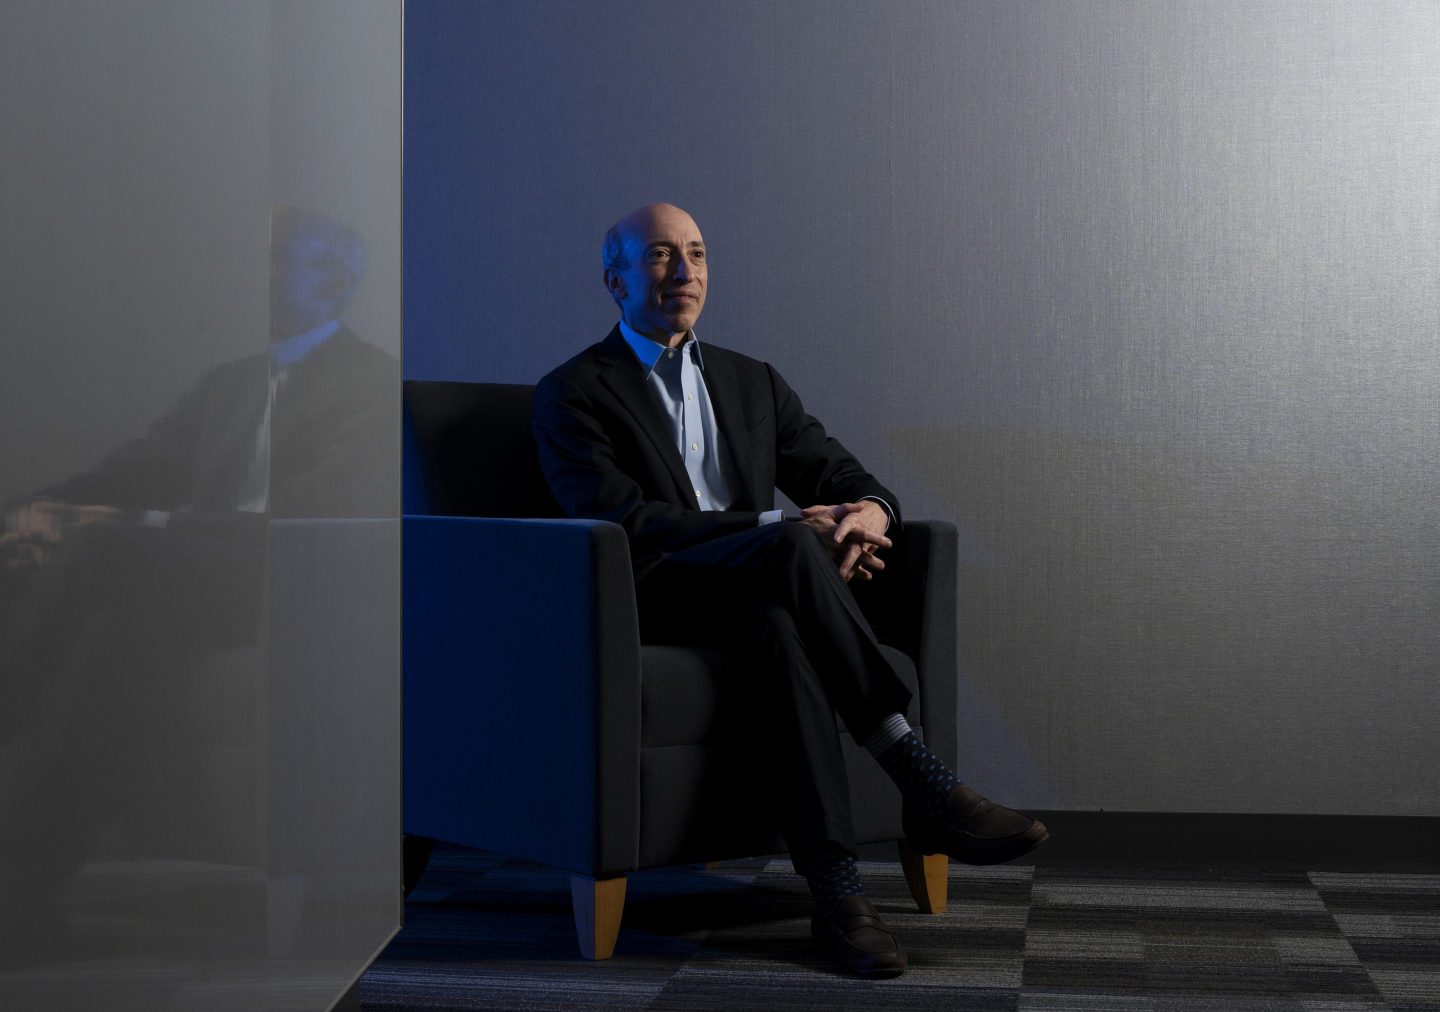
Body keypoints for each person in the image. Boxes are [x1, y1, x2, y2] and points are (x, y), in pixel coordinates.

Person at [531, 203, 1047, 978]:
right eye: (662, 256)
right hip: (651, 596)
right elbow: (624, 521)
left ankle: (839, 898)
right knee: (791, 548)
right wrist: (781, 529)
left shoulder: (751, 381)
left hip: (760, 595)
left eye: (698, 255)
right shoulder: (573, 391)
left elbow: (840, 475)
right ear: (616, 280)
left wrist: (867, 514)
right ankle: (918, 775)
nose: (686, 272)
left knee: (778, 619)